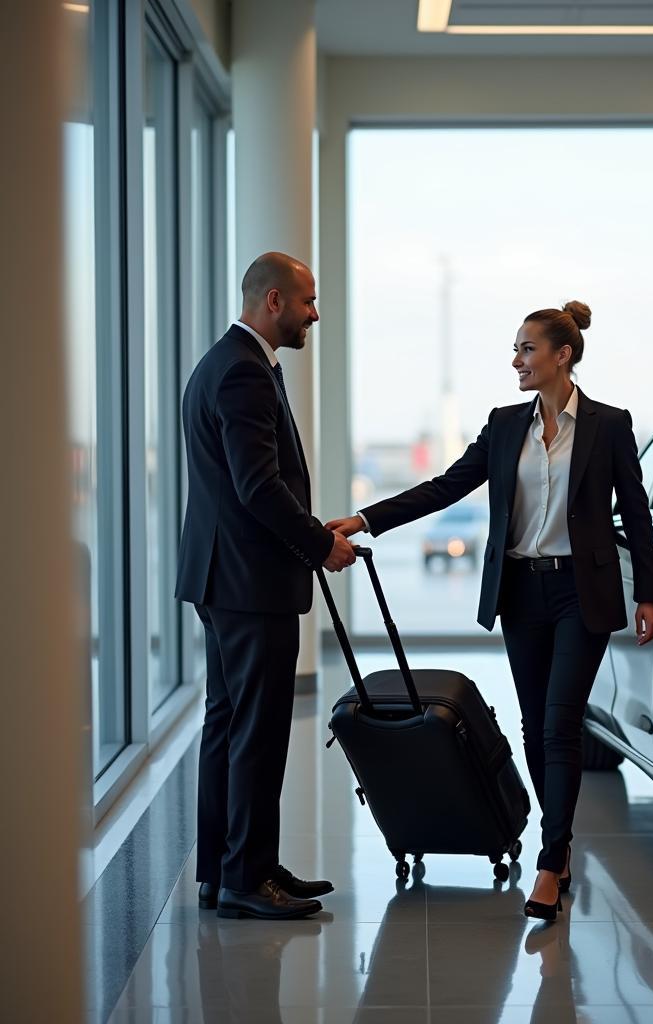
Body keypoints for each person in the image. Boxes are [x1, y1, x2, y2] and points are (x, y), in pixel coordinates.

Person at [330, 301, 653, 920]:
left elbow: (635, 513)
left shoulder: (610, 425)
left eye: (527, 349)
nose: (516, 361)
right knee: (537, 726)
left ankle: (549, 855)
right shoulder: (505, 424)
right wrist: (371, 518)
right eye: (515, 350)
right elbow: (447, 485)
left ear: (562, 356)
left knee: (560, 724)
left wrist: (647, 592)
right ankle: (558, 850)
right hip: (521, 592)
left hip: (579, 593)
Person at [176, 251, 357, 921]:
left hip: (225, 578)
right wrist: (321, 544)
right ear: (274, 301)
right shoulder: (244, 374)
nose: (315, 314)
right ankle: (247, 881)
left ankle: (227, 869)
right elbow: (259, 487)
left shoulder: (224, 363)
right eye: (308, 301)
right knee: (255, 730)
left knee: (227, 725)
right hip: (250, 583)